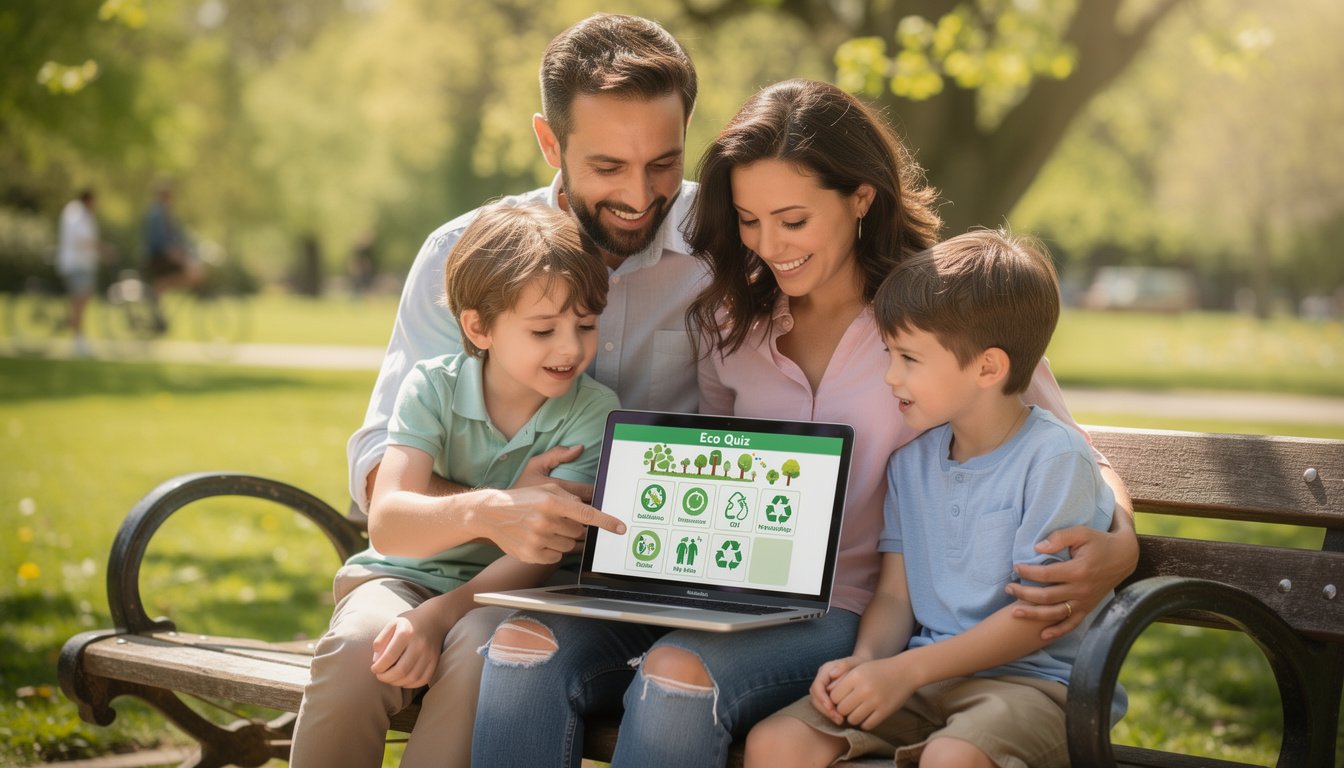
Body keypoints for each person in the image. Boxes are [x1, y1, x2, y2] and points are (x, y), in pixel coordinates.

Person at [469, 79, 1137, 767]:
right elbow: (717, 467)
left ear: (860, 199)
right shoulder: (732, 322)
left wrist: (1122, 540)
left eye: (793, 220)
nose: (768, 245)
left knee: (680, 674)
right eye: (750, 221)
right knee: (525, 645)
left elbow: (1062, 443)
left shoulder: (939, 316)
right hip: (722, 592)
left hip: (850, 611)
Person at [744, 229, 1127, 768]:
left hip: (1036, 688)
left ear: (987, 368)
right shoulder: (911, 462)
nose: (889, 375)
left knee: (951, 758)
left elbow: (1036, 616)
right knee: (776, 742)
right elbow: (896, 598)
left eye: (908, 358)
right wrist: (865, 663)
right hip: (926, 677)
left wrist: (903, 672)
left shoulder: (1054, 459)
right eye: (888, 353)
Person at [289, 202, 625, 767]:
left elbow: (541, 553)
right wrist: (495, 509)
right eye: (544, 329)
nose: (571, 348)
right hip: (403, 579)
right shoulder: (432, 389)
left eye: (586, 325)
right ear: (478, 327)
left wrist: (440, 616)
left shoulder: (593, 412)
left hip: (512, 598)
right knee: (357, 649)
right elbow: (390, 525)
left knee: (478, 657)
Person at [142, 183, 202, 330]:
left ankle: (161, 287)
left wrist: (191, 249)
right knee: (191, 272)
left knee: (195, 272)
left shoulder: (168, 213)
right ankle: (160, 288)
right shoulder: (156, 214)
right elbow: (158, 240)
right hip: (157, 256)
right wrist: (175, 252)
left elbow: (180, 237)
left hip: (167, 253)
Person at [55, 188, 101, 356]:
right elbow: (81, 240)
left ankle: (78, 335)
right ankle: (77, 339)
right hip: (76, 265)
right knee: (78, 302)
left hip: (82, 265)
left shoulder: (82, 214)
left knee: (82, 300)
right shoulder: (75, 214)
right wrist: (102, 251)